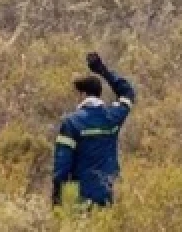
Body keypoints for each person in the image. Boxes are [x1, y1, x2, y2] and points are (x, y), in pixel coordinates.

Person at [52, 52, 136, 208]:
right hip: (109, 196)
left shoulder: (72, 123)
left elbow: (62, 168)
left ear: (82, 94)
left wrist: (57, 200)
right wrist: (101, 69)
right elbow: (128, 92)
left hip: (82, 199)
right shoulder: (113, 117)